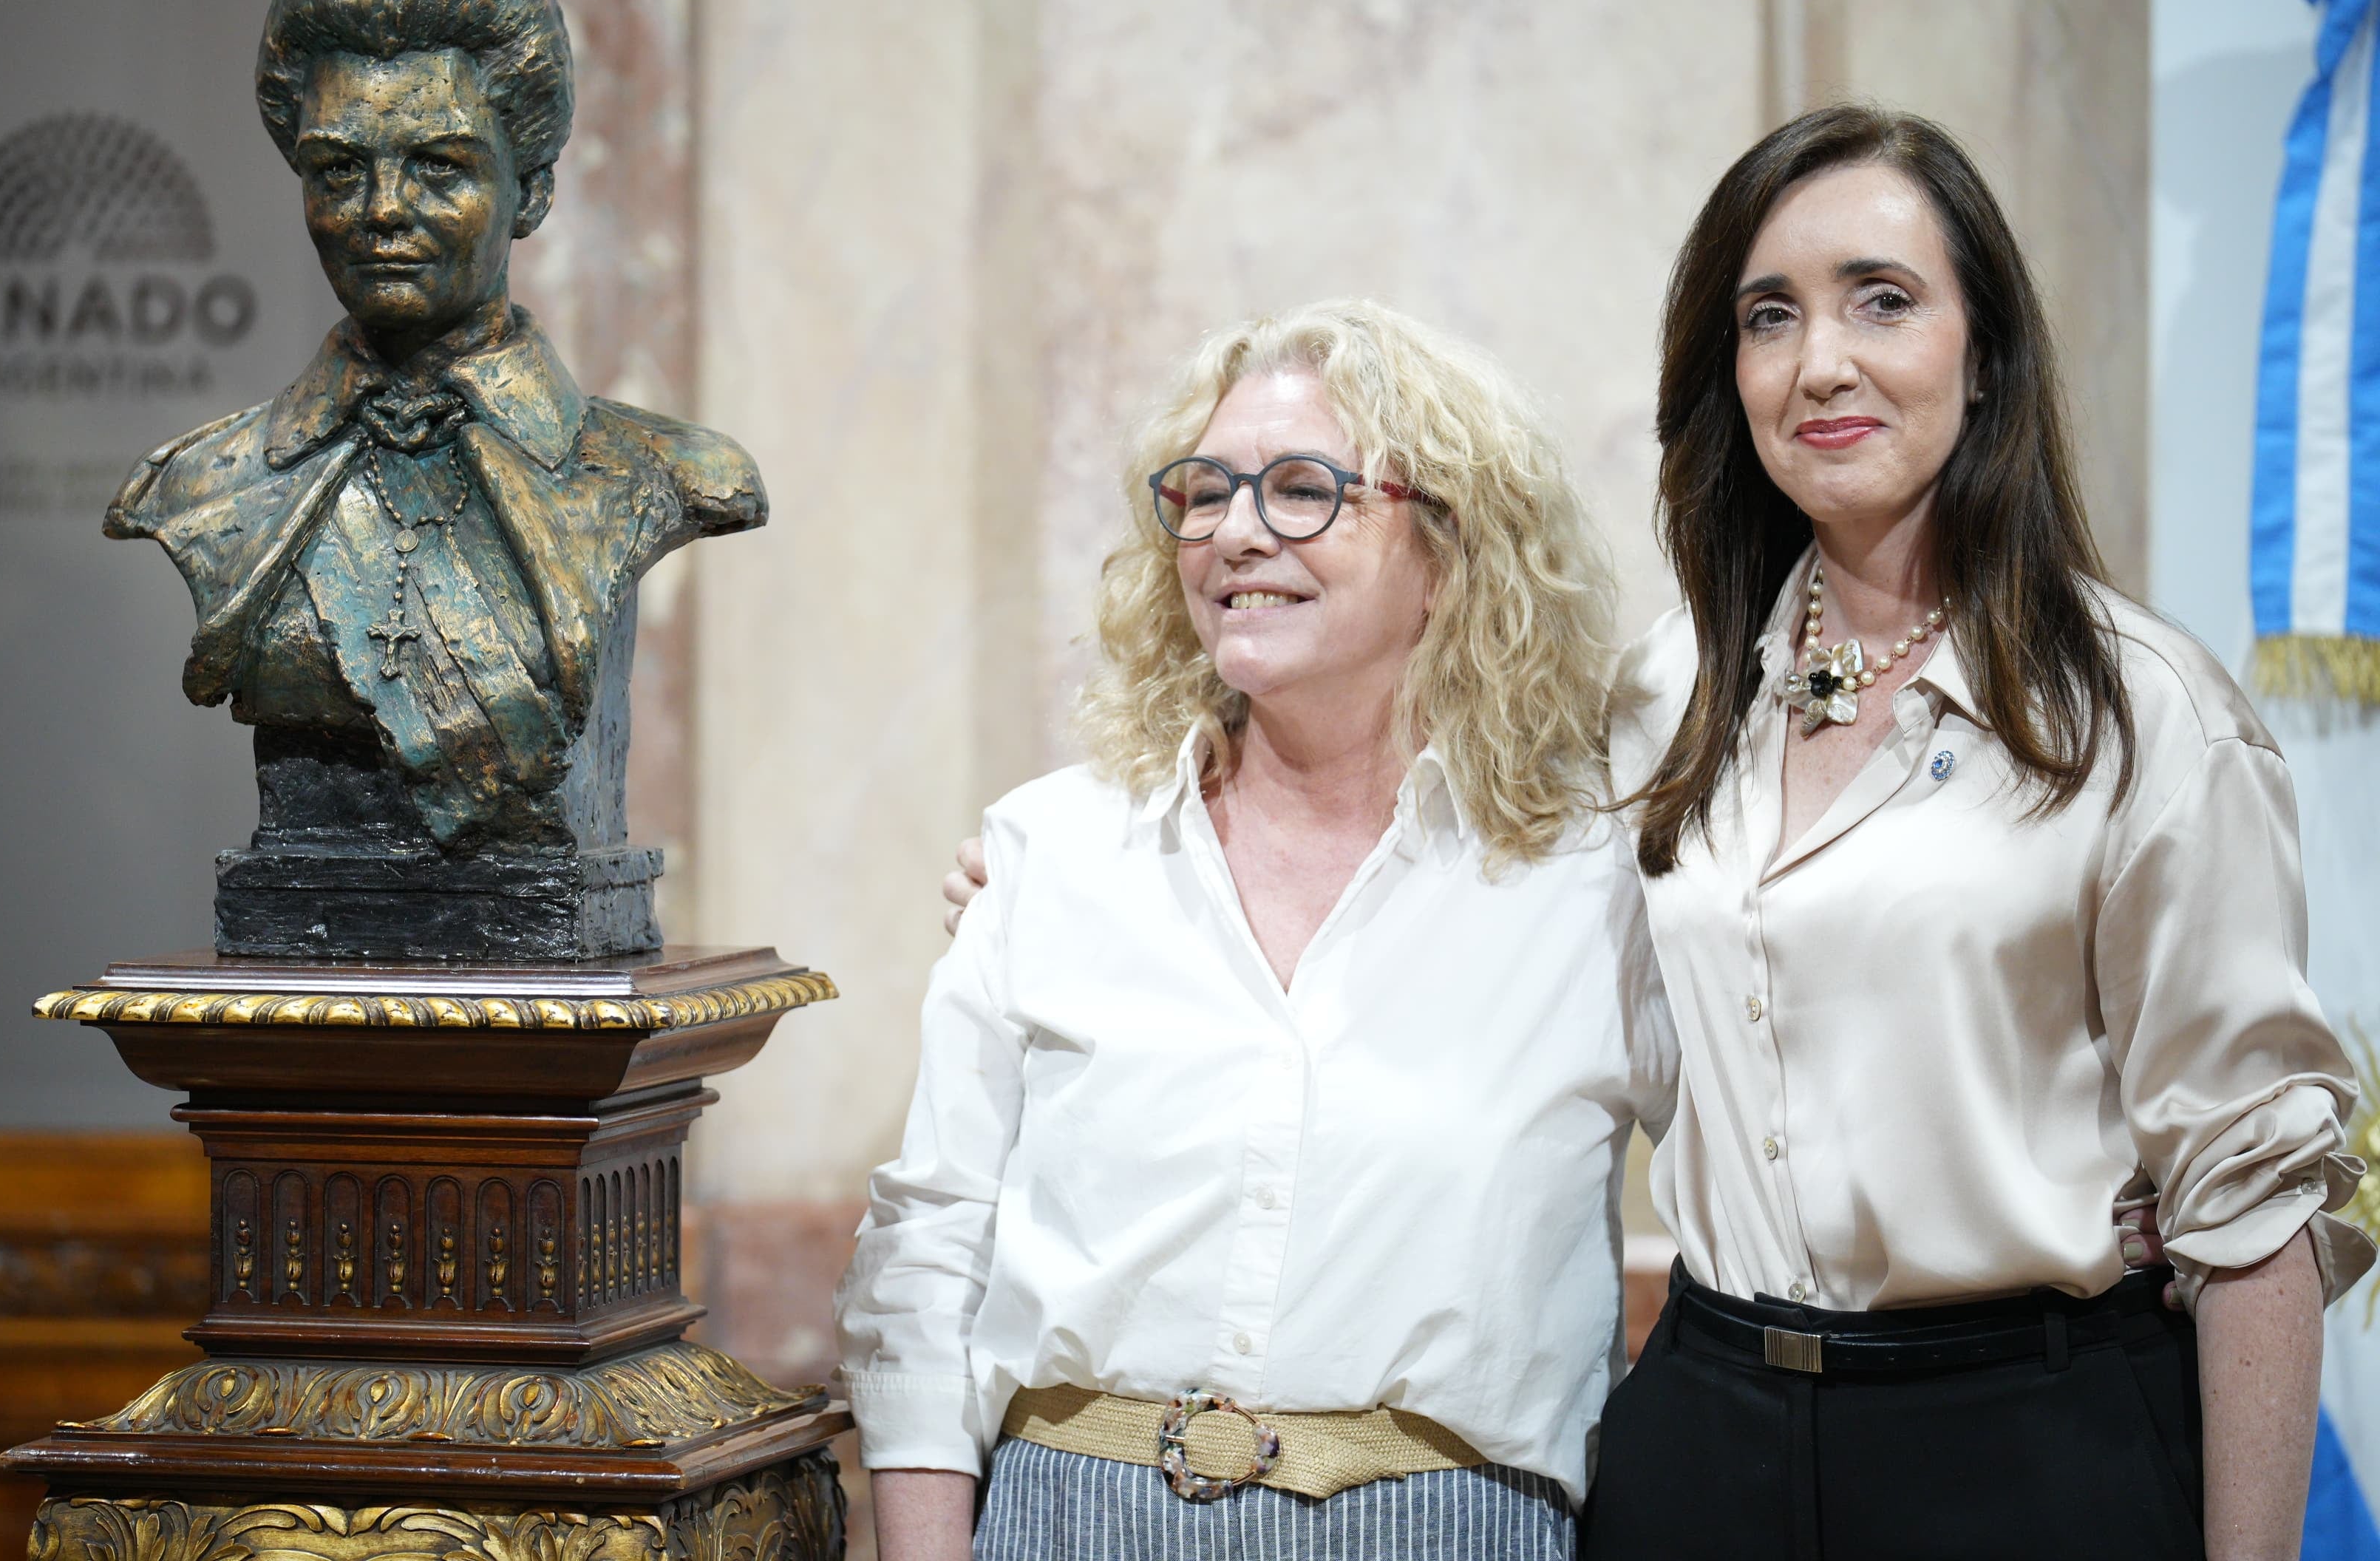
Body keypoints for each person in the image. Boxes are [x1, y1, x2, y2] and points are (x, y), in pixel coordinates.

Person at [1582, 104, 2371, 1561]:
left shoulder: (2144, 719)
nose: (1821, 359)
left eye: (1883, 299)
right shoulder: (1673, 688)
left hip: (2024, 1451)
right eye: (1771, 316)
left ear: (1985, 353)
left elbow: (2253, 1209)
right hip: (1703, 1437)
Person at [837, 301, 1675, 1560]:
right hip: (1067, 1515)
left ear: (1447, 552)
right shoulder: (1052, 853)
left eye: (1300, 491)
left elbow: (1760, 1196)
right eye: (1204, 493)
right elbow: (927, 1247)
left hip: (1441, 1527)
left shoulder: (1588, 879)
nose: (1232, 533)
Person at [108, 0, 761, 858]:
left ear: (530, 188)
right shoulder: (201, 485)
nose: (382, 212)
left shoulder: (666, 473)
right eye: (338, 171)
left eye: (438, 167)